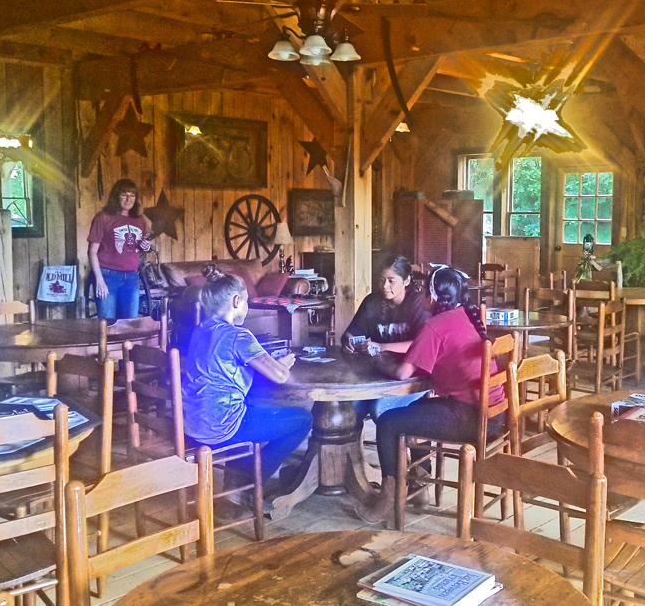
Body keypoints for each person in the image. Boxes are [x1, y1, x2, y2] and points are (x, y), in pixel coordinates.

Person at [356, 266, 502, 524]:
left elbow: (402, 373)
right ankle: (419, 480)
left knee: (389, 422)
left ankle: (388, 498)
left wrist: (378, 358)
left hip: (468, 417)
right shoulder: (467, 315)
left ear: (433, 297)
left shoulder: (434, 325)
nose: (420, 295)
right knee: (418, 406)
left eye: (424, 291)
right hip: (494, 415)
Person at [182, 266, 312, 483]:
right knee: (303, 419)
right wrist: (284, 366)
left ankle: (238, 476)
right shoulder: (238, 335)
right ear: (236, 301)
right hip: (221, 428)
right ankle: (250, 479)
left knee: (251, 407)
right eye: (245, 301)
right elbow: (280, 376)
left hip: (192, 424)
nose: (247, 306)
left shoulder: (201, 329)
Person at [341, 255, 430, 420]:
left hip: (411, 378)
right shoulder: (372, 302)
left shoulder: (417, 304)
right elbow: (350, 334)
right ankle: (353, 447)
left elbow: (420, 345)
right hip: (378, 373)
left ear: (406, 281)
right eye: (381, 280)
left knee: (380, 408)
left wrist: (381, 347)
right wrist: (348, 343)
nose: (385, 286)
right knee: (349, 406)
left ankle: (400, 444)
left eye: (391, 280)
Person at [87, 179, 151, 319]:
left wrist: (143, 247)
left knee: (130, 324)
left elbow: (134, 250)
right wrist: (99, 279)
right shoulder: (103, 217)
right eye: (124, 194)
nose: (128, 199)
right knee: (108, 325)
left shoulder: (140, 220)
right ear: (116, 196)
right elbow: (92, 252)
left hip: (132, 277)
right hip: (108, 276)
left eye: (132, 195)